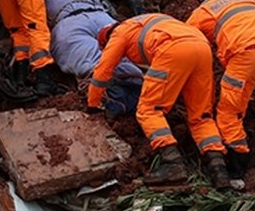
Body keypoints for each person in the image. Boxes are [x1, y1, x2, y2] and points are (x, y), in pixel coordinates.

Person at [90, 14, 228, 187]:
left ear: (106, 39)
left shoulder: (120, 33)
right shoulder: (145, 21)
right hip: (201, 47)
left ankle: (172, 163)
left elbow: (102, 71)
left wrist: (93, 104)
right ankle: (219, 170)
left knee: (148, 110)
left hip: (172, 49)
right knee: (201, 116)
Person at [185, 0, 255, 179]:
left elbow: (183, 41)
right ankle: (241, 125)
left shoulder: (203, 11)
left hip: (246, 55)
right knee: (240, 97)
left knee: (227, 112)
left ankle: (238, 165)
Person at [44, 0, 141, 117]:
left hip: (69, 22)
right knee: (119, 53)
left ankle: (112, 97)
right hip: (100, 17)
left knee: (89, 61)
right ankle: (137, 83)